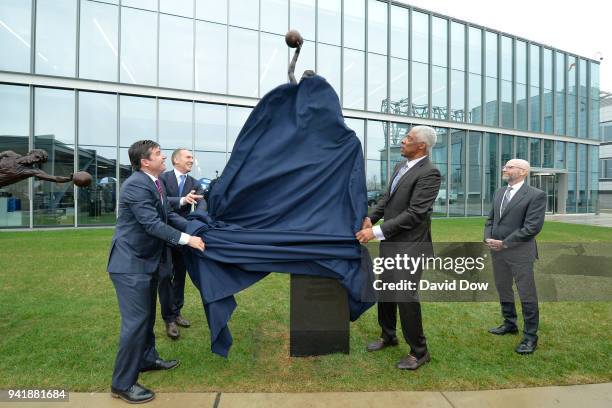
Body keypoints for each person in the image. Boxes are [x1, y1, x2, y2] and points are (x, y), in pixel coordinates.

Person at [107, 140, 205, 404]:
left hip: (148, 263)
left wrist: (196, 231)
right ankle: (122, 383)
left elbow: (168, 214)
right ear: (145, 162)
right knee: (136, 323)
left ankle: (147, 359)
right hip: (130, 266)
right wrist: (187, 240)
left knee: (147, 316)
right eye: (159, 155)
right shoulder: (137, 185)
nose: (164, 158)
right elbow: (152, 224)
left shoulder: (155, 182)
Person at [356, 125, 441, 370]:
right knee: (387, 291)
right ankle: (388, 335)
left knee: (405, 297)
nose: (402, 141)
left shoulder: (430, 173)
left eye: (408, 138)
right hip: (391, 244)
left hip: (411, 247)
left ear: (421, 146)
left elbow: (415, 213)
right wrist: (371, 218)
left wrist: (374, 232)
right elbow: (387, 199)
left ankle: (420, 352)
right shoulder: (399, 167)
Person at [484, 159, 546, 355]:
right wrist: (488, 238)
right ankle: (509, 323)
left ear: (523, 172)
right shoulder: (499, 192)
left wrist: (505, 243)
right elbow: (491, 219)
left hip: (520, 252)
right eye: (505, 166)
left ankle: (530, 337)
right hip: (497, 251)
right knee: (503, 288)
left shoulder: (536, 195)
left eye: (509, 167)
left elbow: (532, 227)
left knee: (526, 294)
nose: (504, 169)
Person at [158, 148, 204, 339]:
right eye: (188, 157)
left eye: (192, 157)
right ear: (176, 160)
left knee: (180, 276)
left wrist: (200, 220)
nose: (192, 160)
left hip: (185, 236)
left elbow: (202, 203)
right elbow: (159, 200)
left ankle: (177, 312)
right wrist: (182, 200)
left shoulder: (195, 183)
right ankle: (168, 319)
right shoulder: (161, 178)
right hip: (164, 234)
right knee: (165, 275)